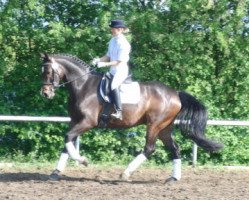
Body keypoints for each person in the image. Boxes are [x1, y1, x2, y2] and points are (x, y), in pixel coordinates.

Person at [92, 19, 131, 120]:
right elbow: (108, 55)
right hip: (113, 70)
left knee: (114, 85)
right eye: (112, 29)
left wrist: (104, 64)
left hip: (121, 70)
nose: (112, 30)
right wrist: (98, 60)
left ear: (120, 29)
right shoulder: (112, 41)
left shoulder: (124, 44)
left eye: (113, 29)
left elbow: (119, 61)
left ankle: (119, 111)